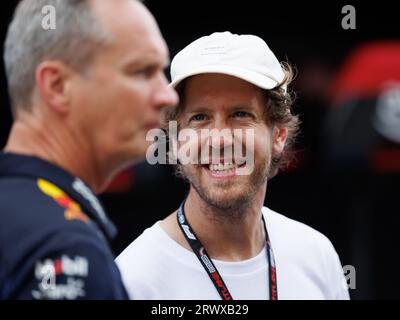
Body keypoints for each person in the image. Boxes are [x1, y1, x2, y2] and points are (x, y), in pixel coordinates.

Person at [116, 31, 350, 300]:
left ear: (278, 135)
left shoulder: (316, 256)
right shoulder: (134, 279)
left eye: (240, 114)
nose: (220, 139)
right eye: (200, 117)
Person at [0, 0, 177, 299]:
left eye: (162, 71)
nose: (167, 96)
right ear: (57, 86)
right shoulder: (65, 248)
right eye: (142, 72)